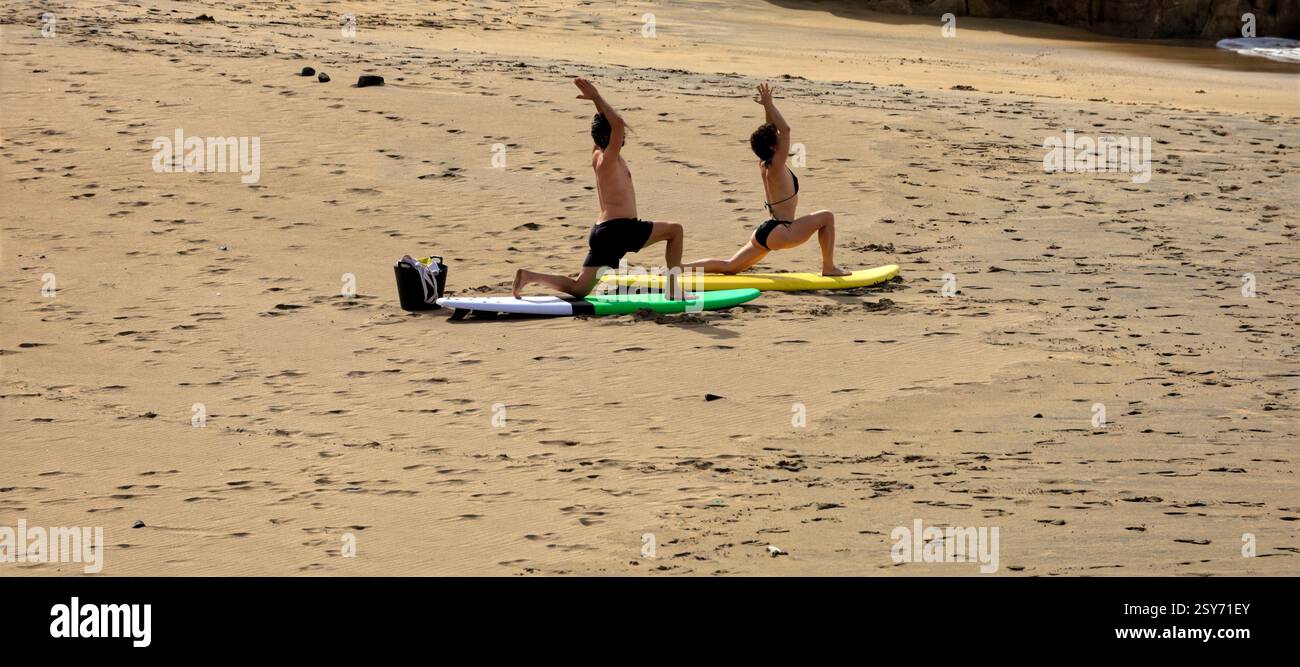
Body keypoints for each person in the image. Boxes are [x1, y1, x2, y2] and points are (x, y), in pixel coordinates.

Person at [513, 77, 685, 299]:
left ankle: (528, 276)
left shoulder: (597, 154)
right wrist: (596, 97)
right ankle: (673, 290)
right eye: (617, 136)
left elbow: (610, 124)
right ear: (609, 136)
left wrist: (597, 105)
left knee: (579, 289)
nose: (622, 137)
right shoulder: (609, 159)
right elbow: (618, 123)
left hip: (603, 231)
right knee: (675, 231)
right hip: (619, 229)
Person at [684, 82, 849, 276]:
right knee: (827, 217)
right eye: (775, 139)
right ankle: (828, 267)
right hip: (782, 231)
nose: (780, 137)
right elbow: (785, 130)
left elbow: (773, 129)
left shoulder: (765, 165)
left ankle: (677, 268)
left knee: (729, 266)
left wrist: (766, 107)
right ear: (772, 147)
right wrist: (770, 104)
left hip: (765, 231)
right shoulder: (777, 166)